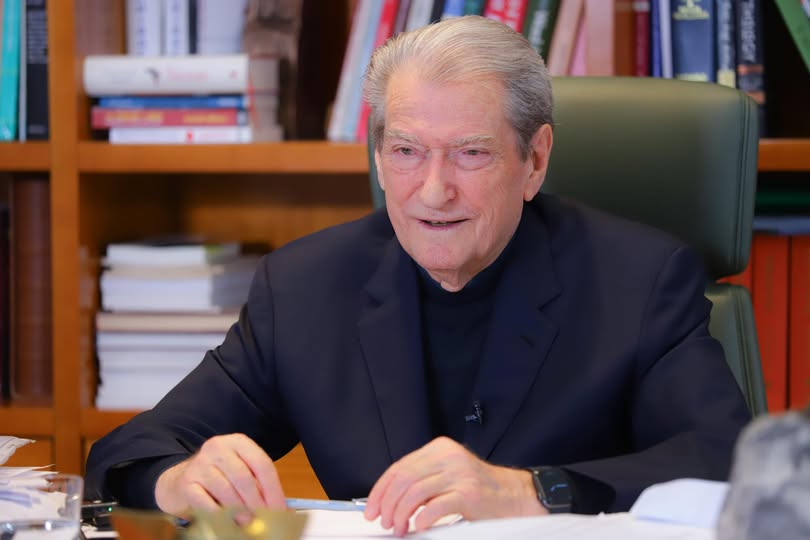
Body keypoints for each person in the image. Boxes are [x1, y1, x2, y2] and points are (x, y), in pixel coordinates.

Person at [85, 15, 751, 537]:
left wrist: (533, 491)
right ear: (378, 158)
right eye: (406, 151)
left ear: (535, 160)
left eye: (470, 153)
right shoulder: (305, 287)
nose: (433, 191)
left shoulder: (639, 280)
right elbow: (131, 451)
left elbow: (725, 461)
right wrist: (179, 480)